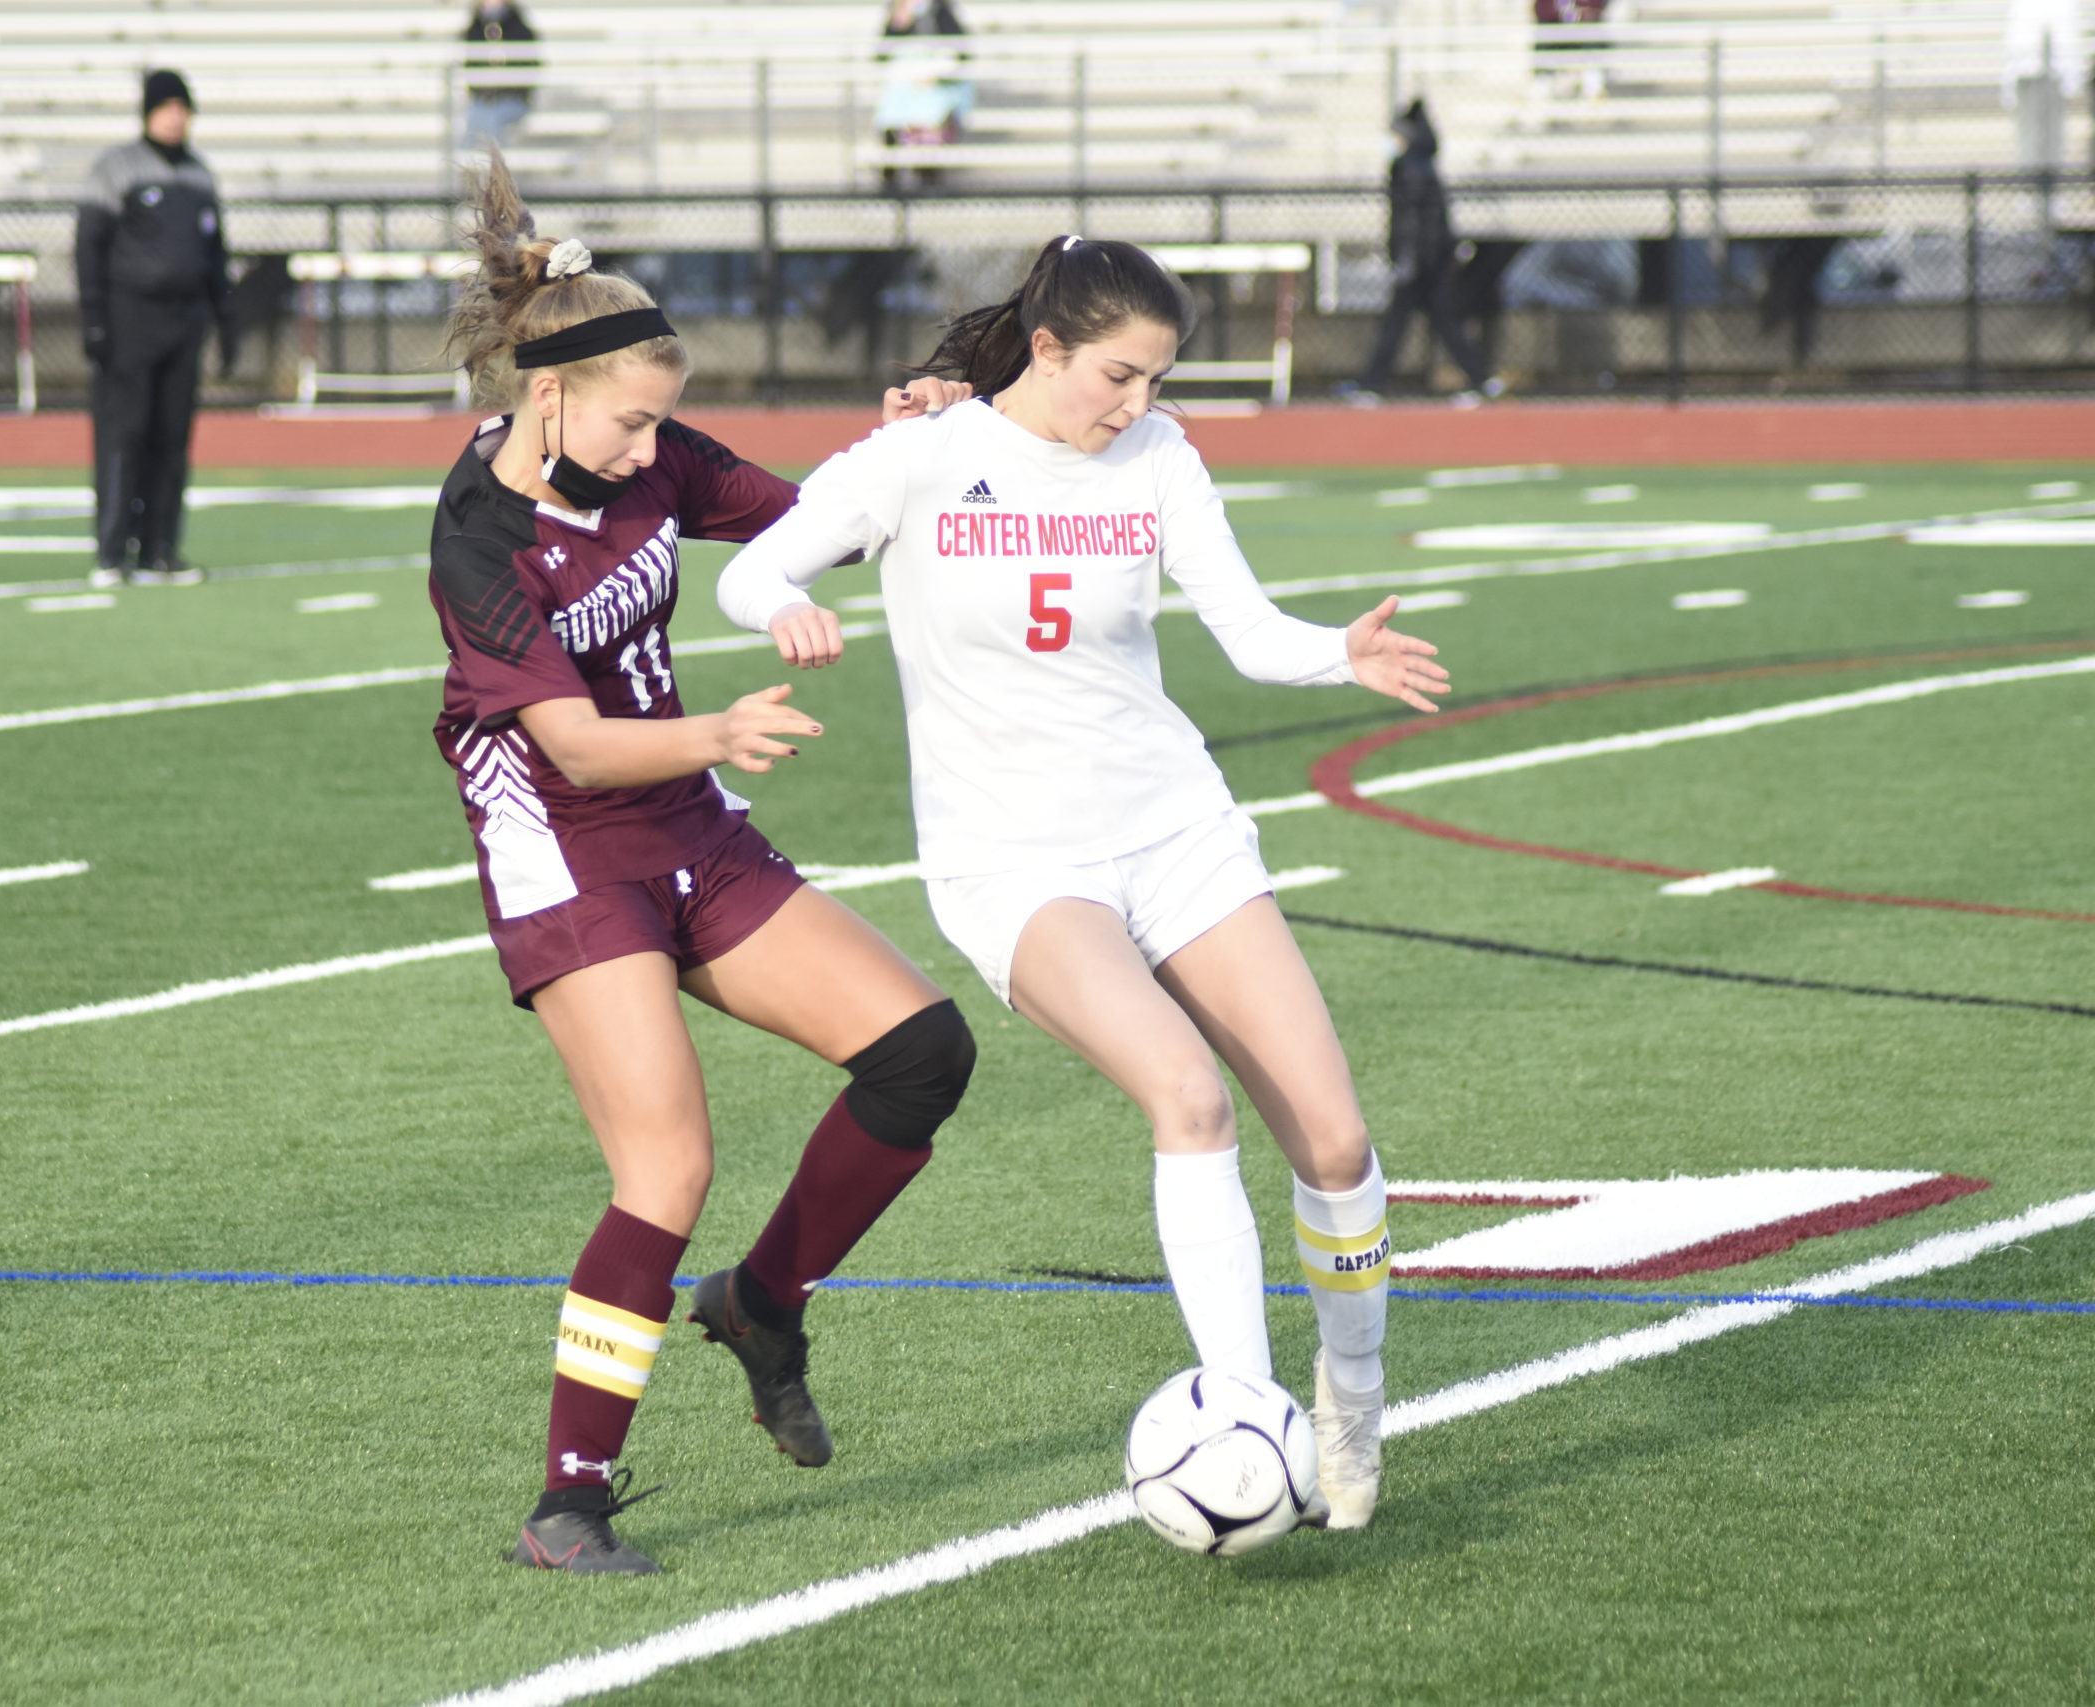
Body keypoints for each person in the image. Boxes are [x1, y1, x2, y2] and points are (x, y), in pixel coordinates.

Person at [716, 236, 1452, 1529]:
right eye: (1119, 375)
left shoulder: (1159, 458)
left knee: (1334, 1137)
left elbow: (1246, 628)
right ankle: (1244, 1407)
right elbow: (748, 564)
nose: (1138, 405)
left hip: (1176, 826)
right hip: (1016, 858)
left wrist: (1341, 651)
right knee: (1189, 1093)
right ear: (1047, 348)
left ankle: (1348, 1390)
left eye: (1160, 379)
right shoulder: (926, 455)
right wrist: (785, 606)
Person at [429, 154, 978, 1575]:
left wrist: (916, 440)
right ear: (545, 393)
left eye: (661, 421)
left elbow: (816, 521)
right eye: (629, 421)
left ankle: (766, 1302)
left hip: (686, 821)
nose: (650, 449)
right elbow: (580, 748)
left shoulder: (647, 444)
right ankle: (570, 1499)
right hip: (567, 841)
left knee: (922, 1051)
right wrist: (720, 724)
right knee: (665, 1162)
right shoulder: (480, 534)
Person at [75, 69, 237, 587]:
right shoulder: (116, 168)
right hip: (130, 321)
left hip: (184, 323)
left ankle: (160, 549)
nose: (175, 117)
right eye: (166, 107)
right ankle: (112, 552)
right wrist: (95, 320)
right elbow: (89, 249)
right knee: (125, 436)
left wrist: (225, 321)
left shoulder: (199, 174)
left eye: (182, 108)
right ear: (147, 112)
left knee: (171, 438)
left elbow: (215, 257)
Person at [1345, 100, 1504, 409]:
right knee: (1438, 322)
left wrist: (1408, 259)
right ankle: (1481, 378)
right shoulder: (1421, 165)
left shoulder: (1410, 168)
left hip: (1422, 264)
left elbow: (1412, 220)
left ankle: (1372, 384)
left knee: (1402, 323)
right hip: (1430, 261)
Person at [874, 0, 972, 192]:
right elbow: (881, 55)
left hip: (935, 84)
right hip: (906, 85)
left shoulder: (941, 11)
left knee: (932, 113)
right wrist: (898, 23)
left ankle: (928, 174)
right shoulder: (898, 12)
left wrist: (935, 75)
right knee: (891, 112)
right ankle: (890, 175)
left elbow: (961, 50)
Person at [460, 0, 542, 153]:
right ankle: (472, 173)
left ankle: (497, 173)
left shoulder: (520, 28)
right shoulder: (474, 28)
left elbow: (530, 67)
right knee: (472, 125)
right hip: (482, 100)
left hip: (512, 100)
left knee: (493, 122)